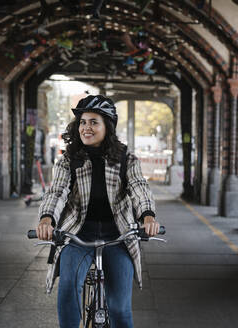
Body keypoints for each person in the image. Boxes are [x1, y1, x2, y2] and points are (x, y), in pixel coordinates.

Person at [36, 95, 160, 328]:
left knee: (119, 307)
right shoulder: (69, 159)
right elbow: (57, 191)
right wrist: (46, 219)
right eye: (82, 122)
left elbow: (138, 187)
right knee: (68, 291)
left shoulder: (126, 159)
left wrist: (147, 216)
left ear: (107, 127)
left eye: (94, 122)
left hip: (118, 236)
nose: (86, 128)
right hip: (78, 235)